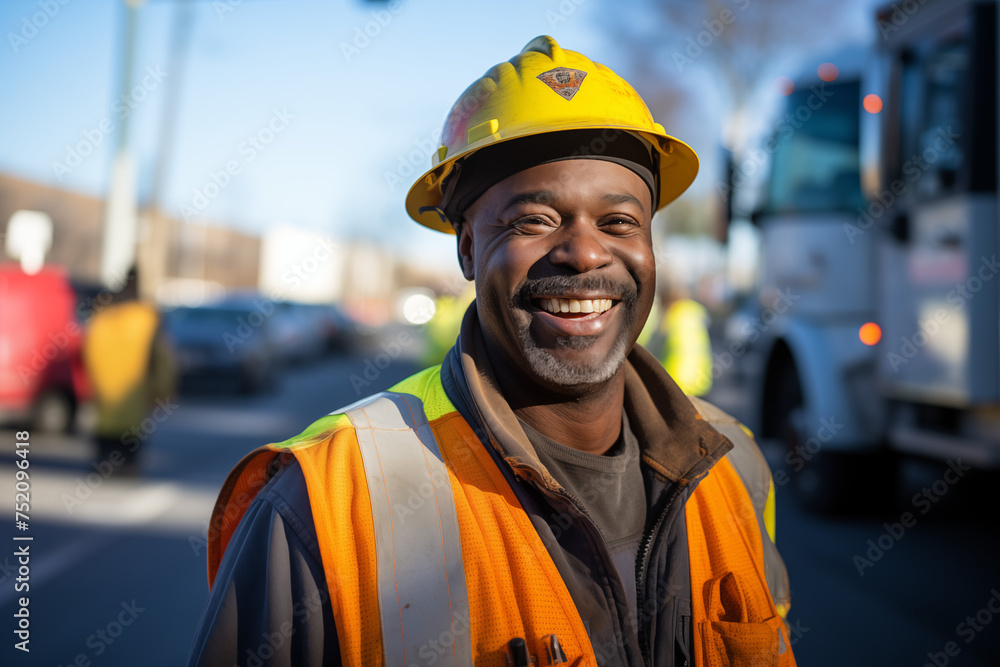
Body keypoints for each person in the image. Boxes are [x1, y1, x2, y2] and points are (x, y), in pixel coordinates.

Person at [188, 36, 794, 667]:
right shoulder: (324, 503)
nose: (585, 253)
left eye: (619, 222)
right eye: (534, 220)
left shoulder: (734, 465)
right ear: (468, 249)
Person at [82, 267, 175, 474]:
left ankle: (104, 464)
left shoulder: (102, 316)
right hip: (134, 398)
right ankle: (124, 467)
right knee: (128, 449)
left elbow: (88, 351)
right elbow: (162, 356)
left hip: (105, 397)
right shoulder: (147, 317)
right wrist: (163, 389)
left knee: (106, 440)